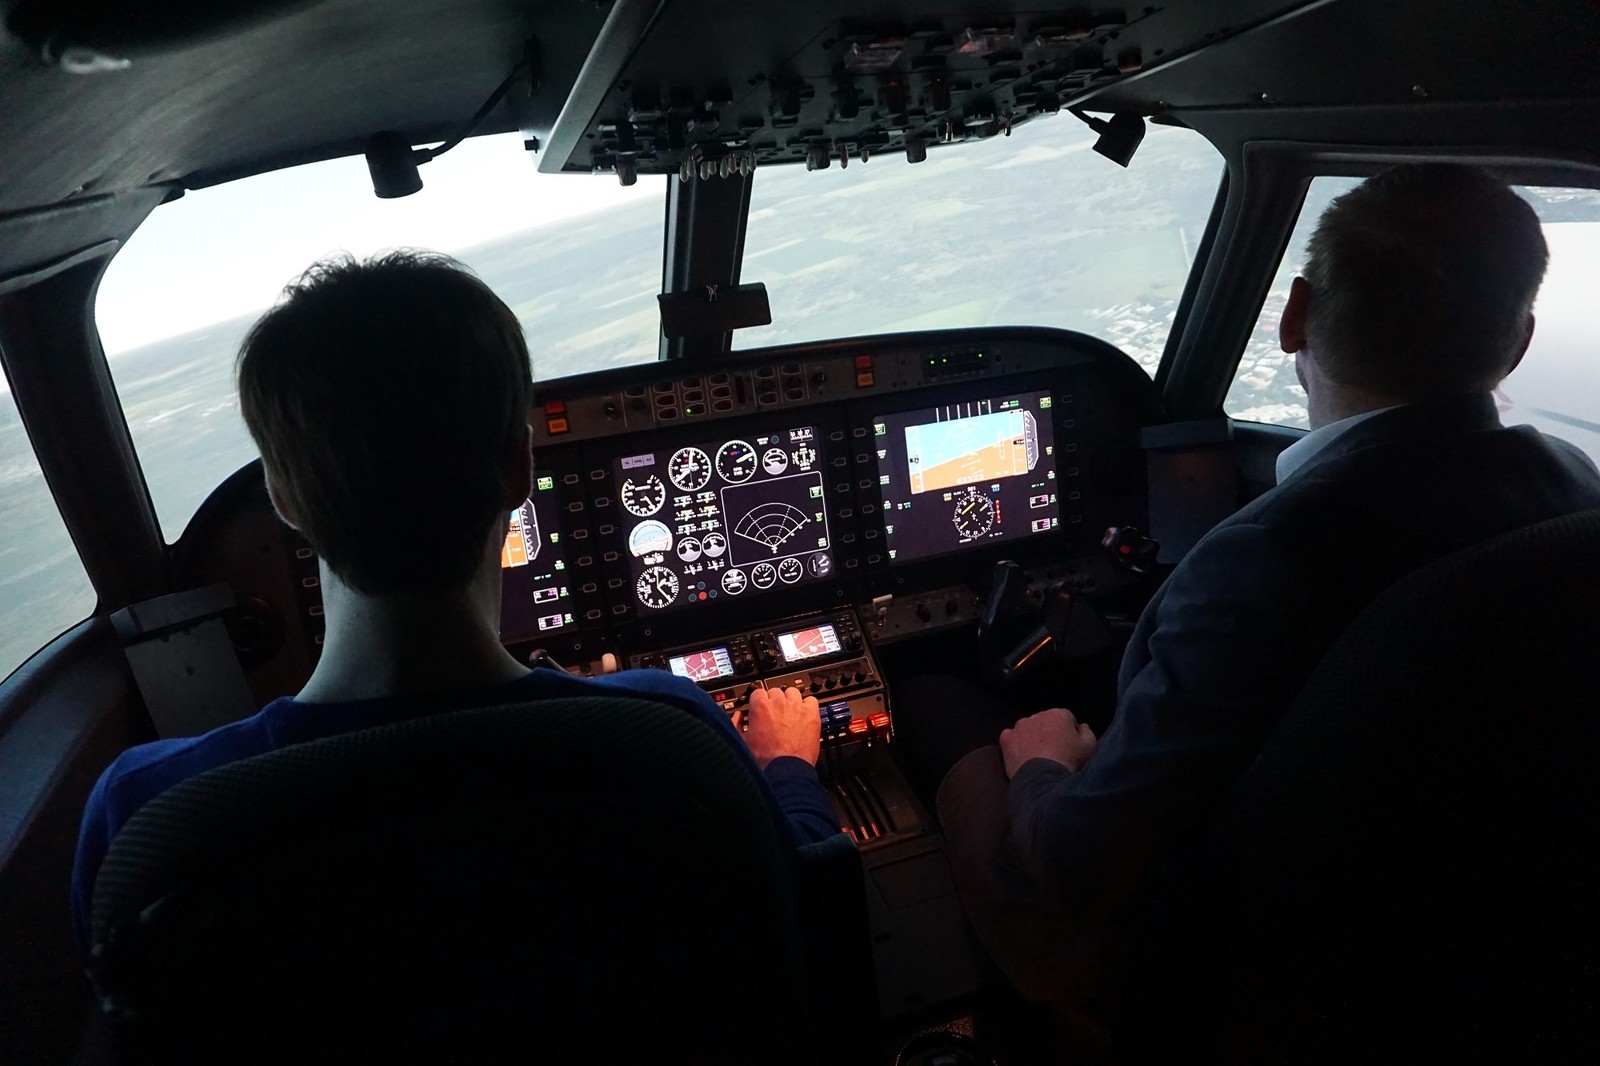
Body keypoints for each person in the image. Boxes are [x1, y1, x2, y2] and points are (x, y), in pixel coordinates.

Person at [897, 162, 1600, 1013]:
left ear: (1294, 315)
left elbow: (1077, 860)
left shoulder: (1268, 560)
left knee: (934, 699)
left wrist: (1044, 764)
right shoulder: (1576, 493)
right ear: (1517, 342)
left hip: (1258, 965)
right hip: (1483, 909)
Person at [70, 251, 837, 950]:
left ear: (284, 499)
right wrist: (787, 769)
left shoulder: (147, 814)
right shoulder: (667, 735)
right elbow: (798, 903)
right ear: (520, 468)